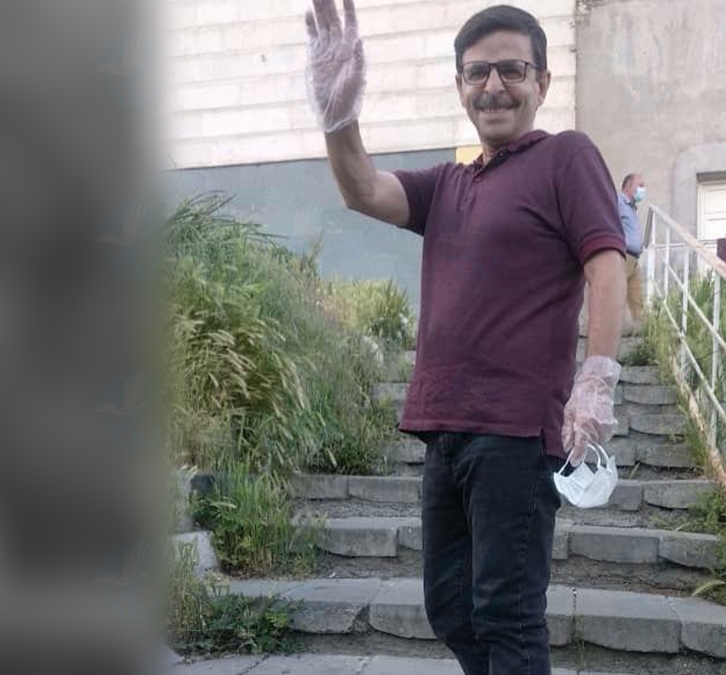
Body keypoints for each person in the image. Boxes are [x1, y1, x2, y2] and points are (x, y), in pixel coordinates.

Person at [304, 2, 627, 673]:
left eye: (512, 69)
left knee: (507, 614)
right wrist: (339, 117)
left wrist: (597, 375)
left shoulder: (565, 156)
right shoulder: (448, 184)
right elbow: (363, 190)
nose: (493, 86)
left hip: (514, 432)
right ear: (459, 86)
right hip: (445, 428)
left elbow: (605, 261)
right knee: (451, 607)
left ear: (542, 81)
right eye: (477, 72)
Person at [617, 173, 646, 332]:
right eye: (640, 186)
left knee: (637, 299)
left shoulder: (631, 207)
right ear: (628, 186)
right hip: (623, 256)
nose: (643, 190)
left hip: (634, 258)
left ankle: (641, 332)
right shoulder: (618, 202)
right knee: (616, 294)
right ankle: (611, 332)